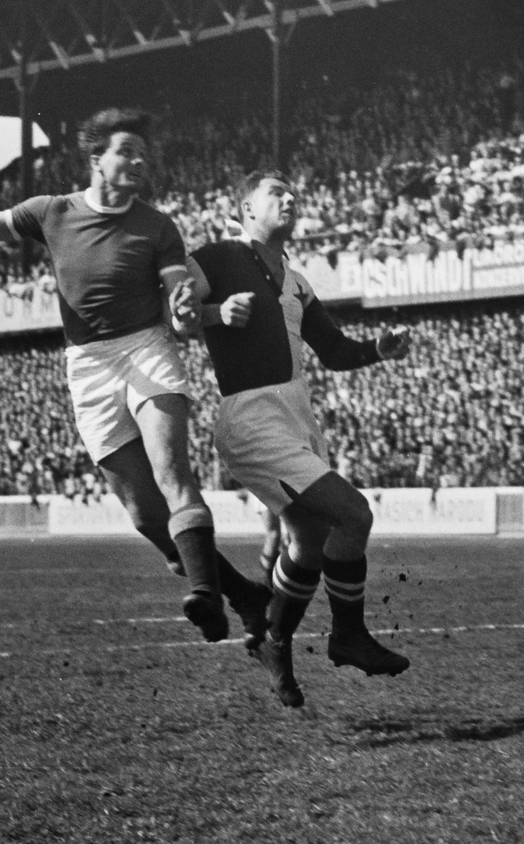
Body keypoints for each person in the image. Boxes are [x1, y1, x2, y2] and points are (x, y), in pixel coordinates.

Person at [0, 107, 268, 644]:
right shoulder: (50, 212)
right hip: (87, 364)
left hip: (146, 348)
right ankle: (245, 593)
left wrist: (188, 309)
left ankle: (206, 597)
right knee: (145, 516)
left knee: (173, 475)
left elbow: (178, 303)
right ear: (97, 160)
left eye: (145, 155)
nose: (140, 162)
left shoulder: (158, 226)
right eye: (127, 152)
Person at [186, 169, 412, 708]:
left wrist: (379, 348)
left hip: (297, 412)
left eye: (294, 194)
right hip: (251, 415)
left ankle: (273, 643)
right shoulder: (214, 258)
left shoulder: (295, 277)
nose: (289, 200)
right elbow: (171, 317)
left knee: (308, 541)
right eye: (276, 194)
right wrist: (215, 312)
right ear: (245, 208)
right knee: (353, 514)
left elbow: (333, 352)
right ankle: (347, 636)